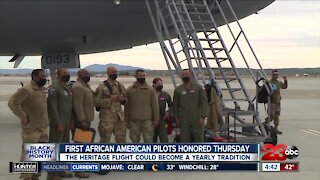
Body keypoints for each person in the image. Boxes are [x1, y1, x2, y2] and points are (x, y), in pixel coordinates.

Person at [8, 69, 49, 180]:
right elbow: (12, 102)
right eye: (42, 76)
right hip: (31, 129)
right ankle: (25, 177)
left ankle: (35, 176)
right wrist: (23, 116)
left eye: (45, 76)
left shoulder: (41, 90)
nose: (44, 78)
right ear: (34, 77)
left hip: (42, 129)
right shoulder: (27, 90)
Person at [47, 68, 73, 180]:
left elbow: (68, 107)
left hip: (66, 123)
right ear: (58, 75)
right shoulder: (54, 88)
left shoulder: (67, 88)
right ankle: (52, 175)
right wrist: (58, 123)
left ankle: (61, 170)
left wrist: (70, 122)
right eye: (64, 73)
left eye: (67, 73)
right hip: (58, 124)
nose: (66, 75)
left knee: (63, 148)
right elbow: (52, 107)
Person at [173, 69, 208, 142]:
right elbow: (175, 105)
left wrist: (203, 117)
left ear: (191, 75)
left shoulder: (199, 88)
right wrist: (176, 118)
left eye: (186, 74)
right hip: (183, 118)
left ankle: (199, 153)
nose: (185, 76)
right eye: (183, 75)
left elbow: (204, 102)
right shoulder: (178, 89)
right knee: (184, 138)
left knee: (199, 138)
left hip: (197, 117)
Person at [125, 69, 159, 143]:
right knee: (134, 140)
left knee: (148, 140)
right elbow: (127, 106)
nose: (142, 77)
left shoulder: (150, 89)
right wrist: (126, 120)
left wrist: (156, 119)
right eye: (140, 75)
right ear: (136, 76)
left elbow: (155, 105)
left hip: (147, 121)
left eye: (144, 75)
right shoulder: (130, 90)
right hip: (134, 121)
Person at [71, 69, 94, 178]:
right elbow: (78, 105)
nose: (87, 76)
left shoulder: (85, 85)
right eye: (85, 74)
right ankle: (79, 171)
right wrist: (82, 120)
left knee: (84, 146)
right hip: (81, 122)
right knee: (80, 146)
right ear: (79, 75)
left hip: (86, 120)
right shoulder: (78, 87)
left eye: (88, 74)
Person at [94, 66, 127, 143]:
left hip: (119, 119)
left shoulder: (120, 85)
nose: (115, 74)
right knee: (104, 140)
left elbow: (126, 99)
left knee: (121, 140)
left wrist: (123, 100)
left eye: (116, 72)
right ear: (108, 73)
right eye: (112, 72)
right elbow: (96, 102)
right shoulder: (101, 86)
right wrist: (110, 100)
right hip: (106, 119)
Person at [152, 78, 173, 143]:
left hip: (162, 118)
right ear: (154, 84)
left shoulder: (165, 94)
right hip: (151, 118)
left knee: (163, 137)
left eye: (161, 84)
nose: (160, 85)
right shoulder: (149, 93)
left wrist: (168, 113)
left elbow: (171, 105)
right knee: (152, 137)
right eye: (158, 84)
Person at [267, 69, 288, 134]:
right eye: (274, 74)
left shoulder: (279, 82)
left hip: (277, 101)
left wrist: (285, 80)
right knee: (271, 115)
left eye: (277, 74)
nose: (276, 76)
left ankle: (276, 128)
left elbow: (284, 87)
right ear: (272, 75)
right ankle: (265, 124)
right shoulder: (269, 82)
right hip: (271, 101)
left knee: (277, 115)